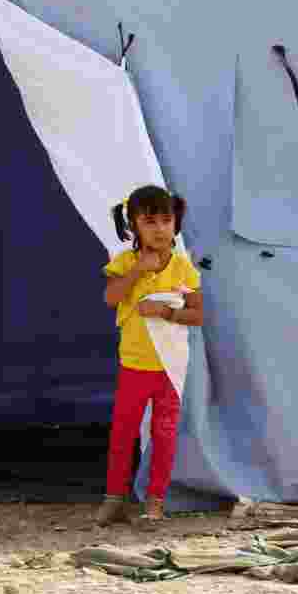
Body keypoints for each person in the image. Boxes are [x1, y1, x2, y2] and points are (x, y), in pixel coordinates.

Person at [96, 185, 203, 525]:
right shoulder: (125, 262)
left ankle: (155, 501)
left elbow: (199, 315)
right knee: (123, 432)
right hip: (134, 365)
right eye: (150, 221)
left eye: (166, 220)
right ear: (134, 226)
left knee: (164, 433)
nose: (159, 229)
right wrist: (139, 271)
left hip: (170, 368)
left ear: (176, 224)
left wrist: (165, 312)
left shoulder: (183, 268)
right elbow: (111, 298)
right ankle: (114, 500)